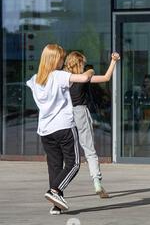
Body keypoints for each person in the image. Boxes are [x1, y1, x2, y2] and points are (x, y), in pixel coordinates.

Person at [26, 44, 95, 215]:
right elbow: (84, 78)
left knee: (55, 166)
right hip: (63, 127)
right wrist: (90, 71)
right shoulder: (58, 76)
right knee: (74, 164)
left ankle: (56, 205)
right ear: (55, 59)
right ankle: (54, 191)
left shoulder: (35, 79)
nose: (63, 61)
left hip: (45, 130)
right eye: (62, 58)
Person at [64, 51, 121, 198]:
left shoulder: (62, 77)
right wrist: (113, 61)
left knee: (64, 153)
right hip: (81, 113)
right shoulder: (84, 77)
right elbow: (106, 78)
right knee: (89, 150)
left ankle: (58, 188)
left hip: (65, 114)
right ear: (79, 63)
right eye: (83, 63)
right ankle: (97, 182)